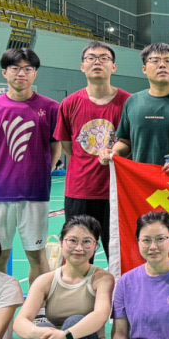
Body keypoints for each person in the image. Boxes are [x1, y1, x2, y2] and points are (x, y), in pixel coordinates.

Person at [0, 48, 62, 281]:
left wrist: (43, 172)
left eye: (27, 69)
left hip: (35, 194)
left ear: (35, 73)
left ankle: (39, 303)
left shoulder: (52, 108)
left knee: (37, 255)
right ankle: (1, 301)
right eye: (15, 68)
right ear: (5, 72)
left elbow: (56, 146)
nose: (21, 73)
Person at [55, 42, 129, 258]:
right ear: (82, 66)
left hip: (117, 192)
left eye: (104, 58)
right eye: (91, 58)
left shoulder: (128, 102)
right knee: (79, 255)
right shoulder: (69, 103)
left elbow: (131, 144)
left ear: (114, 66)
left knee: (118, 256)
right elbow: (68, 148)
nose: (97, 62)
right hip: (79, 191)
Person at [112, 43, 169, 173]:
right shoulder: (132, 102)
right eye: (155, 61)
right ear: (144, 69)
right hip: (142, 179)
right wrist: (113, 152)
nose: (162, 65)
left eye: (168, 61)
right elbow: (126, 143)